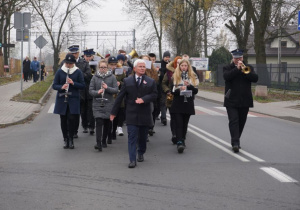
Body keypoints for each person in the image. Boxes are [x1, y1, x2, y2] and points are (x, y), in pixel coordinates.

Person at [110, 59, 157, 168]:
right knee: (132, 137)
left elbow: (154, 95)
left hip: (145, 113)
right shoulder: (127, 81)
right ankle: (132, 160)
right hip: (131, 113)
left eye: (144, 67)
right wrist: (113, 112)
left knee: (142, 137)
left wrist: (144, 99)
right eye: (140, 66)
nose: (142, 68)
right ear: (135, 68)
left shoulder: (150, 81)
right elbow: (120, 97)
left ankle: (141, 152)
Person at [223, 49, 258, 153]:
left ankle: (236, 139)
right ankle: (235, 142)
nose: (238, 60)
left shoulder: (248, 68)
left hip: (245, 100)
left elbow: (255, 78)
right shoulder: (227, 67)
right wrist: (237, 69)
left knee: (241, 122)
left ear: (243, 58)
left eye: (240, 58)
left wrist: (245, 70)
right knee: (233, 121)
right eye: (236, 58)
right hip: (231, 100)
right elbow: (226, 77)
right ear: (233, 58)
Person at [52, 54, 85, 149]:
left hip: (73, 99)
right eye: (67, 63)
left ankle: (71, 139)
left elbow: (82, 85)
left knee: (71, 119)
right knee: (63, 119)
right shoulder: (60, 71)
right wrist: (61, 87)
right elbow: (54, 85)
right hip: (62, 98)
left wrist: (73, 83)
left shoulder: (77, 72)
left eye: (70, 63)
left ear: (73, 63)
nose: (68, 65)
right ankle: (65, 139)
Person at [60, 45, 92, 138]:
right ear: (69, 53)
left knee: (76, 113)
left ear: (78, 53)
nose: (74, 55)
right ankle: (68, 131)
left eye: (75, 53)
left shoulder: (84, 63)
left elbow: (89, 75)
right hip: (66, 92)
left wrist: (78, 73)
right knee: (67, 114)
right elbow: (59, 76)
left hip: (79, 91)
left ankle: (75, 131)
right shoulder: (63, 63)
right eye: (72, 53)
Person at [169, 59, 199, 153]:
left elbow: (196, 91)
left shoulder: (193, 76)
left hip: (188, 103)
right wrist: (179, 89)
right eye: (182, 66)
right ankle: (179, 142)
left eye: (185, 66)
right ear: (179, 66)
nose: (184, 67)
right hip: (178, 102)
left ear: (188, 67)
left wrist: (189, 86)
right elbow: (172, 91)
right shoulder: (175, 76)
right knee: (179, 123)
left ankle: (183, 139)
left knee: (185, 124)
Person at [89, 59, 118, 151]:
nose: (103, 69)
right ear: (98, 67)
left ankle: (104, 140)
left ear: (107, 68)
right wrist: (98, 92)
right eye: (101, 67)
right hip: (97, 103)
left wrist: (107, 88)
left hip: (108, 102)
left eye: (104, 67)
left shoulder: (112, 77)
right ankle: (98, 143)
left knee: (107, 122)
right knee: (99, 121)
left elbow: (116, 90)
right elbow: (90, 91)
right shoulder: (95, 77)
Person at [162, 56, 182, 144]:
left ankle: (180, 136)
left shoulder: (185, 73)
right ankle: (174, 134)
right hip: (172, 97)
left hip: (182, 98)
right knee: (173, 117)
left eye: (180, 63)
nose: (178, 65)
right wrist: (167, 91)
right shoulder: (169, 73)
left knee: (180, 118)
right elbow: (163, 83)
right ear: (174, 63)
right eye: (177, 63)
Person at [109, 56, 126, 140]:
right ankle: (109, 131)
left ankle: (114, 131)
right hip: (108, 95)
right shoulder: (106, 72)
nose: (113, 66)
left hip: (118, 95)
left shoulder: (120, 71)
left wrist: (120, 83)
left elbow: (125, 81)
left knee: (117, 113)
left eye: (115, 64)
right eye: (111, 64)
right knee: (109, 115)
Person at [82, 48, 96, 135]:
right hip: (84, 88)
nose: (89, 58)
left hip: (92, 88)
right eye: (87, 56)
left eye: (90, 56)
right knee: (83, 109)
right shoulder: (81, 63)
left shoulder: (95, 64)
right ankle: (84, 125)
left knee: (91, 108)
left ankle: (91, 126)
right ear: (84, 56)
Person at [159, 51, 171, 126]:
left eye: (168, 57)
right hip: (162, 85)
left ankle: (164, 116)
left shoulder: (170, 64)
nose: (167, 58)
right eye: (166, 57)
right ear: (163, 57)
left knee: (168, 103)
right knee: (163, 103)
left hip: (168, 86)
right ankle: (163, 118)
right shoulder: (160, 64)